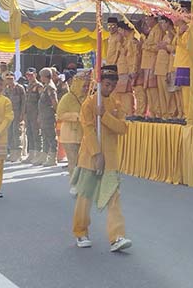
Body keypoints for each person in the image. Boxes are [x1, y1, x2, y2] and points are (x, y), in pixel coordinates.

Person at [71, 65, 132, 252]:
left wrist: (104, 115)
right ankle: (81, 232)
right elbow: (88, 130)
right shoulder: (88, 104)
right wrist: (97, 154)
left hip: (111, 158)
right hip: (90, 158)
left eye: (113, 85)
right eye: (107, 84)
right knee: (85, 197)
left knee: (113, 198)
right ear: (100, 83)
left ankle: (117, 237)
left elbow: (122, 128)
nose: (110, 88)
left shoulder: (116, 104)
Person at [57, 70, 89, 191]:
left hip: (85, 135)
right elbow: (60, 114)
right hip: (70, 136)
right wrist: (76, 116)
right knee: (73, 161)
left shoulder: (89, 98)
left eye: (87, 85)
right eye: (83, 86)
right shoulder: (67, 98)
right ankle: (75, 184)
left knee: (84, 161)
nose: (86, 88)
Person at [169, 4, 193, 124]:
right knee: (181, 92)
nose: (174, 18)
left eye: (176, 15)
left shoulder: (191, 28)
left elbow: (188, 46)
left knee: (188, 92)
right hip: (181, 62)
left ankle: (189, 116)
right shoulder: (181, 29)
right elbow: (175, 45)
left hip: (188, 63)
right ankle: (185, 114)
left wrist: (180, 34)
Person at [142, 15, 164, 120]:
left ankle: (158, 114)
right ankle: (152, 113)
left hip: (153, 63)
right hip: (147, 64)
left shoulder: (158, 30)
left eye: (148, 19)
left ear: (154, 19)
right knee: (149, 89)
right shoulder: (151, 31)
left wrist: (146, 46)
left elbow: (157, 47)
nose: (146, 21)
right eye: (145, 19)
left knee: (154, 90)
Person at [154, 15, 175, 122]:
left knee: (168, 93)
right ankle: (164, 114)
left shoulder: (172, 34)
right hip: (160, 67)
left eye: (163, 23)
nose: (161, 25)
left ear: (168, 23)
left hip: (167, 66)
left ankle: (171, 113)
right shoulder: (166, 35)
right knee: (161, 93)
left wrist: (165, 47)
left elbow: (173, 50)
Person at [113, 22, 136, 116]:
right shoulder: (126, 40)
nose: (118, 33)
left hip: (127, 70)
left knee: (126, 93)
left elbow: (131, 56)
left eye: (119, 30)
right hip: (122, 70)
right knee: (121, 93)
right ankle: (125, 113)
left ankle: (129, 113)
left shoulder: (132, 39)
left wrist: (133, 70)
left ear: (123, 29)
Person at [38, 68, 59, 167]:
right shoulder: (46, 87)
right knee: (45, 136)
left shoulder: (50, 87)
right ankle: (45, 156)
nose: (40, 78)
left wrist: (56, 113)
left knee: (51, 136)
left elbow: (54, 102)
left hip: (48, 116)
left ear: (45, 76)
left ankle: (53, 158)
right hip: (44, 115)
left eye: (41, 76)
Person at [3, 72, 26, 162]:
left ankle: (18, 153)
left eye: (11, 79)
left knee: (17, 133)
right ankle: (12, 153)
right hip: (9, 114)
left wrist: (22, 114)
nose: (9, 81)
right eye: (7, 79)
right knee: (10, 133)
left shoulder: (19, 88)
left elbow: (24, 102)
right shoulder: (7, 89)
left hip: (17, 113)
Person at [22, 68, 43, 164]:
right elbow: (26, 101)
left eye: (31, 75)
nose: (29, 77)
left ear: (35, 74)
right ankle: (31, 153)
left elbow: (41, 101)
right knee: (29, 133)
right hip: (29, 113)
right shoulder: (28, 86)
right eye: (27, 75)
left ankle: (38, 154)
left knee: (36, 133)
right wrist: (24, 113)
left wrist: (40, 115)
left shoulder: (39, 86)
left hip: (36, 113)